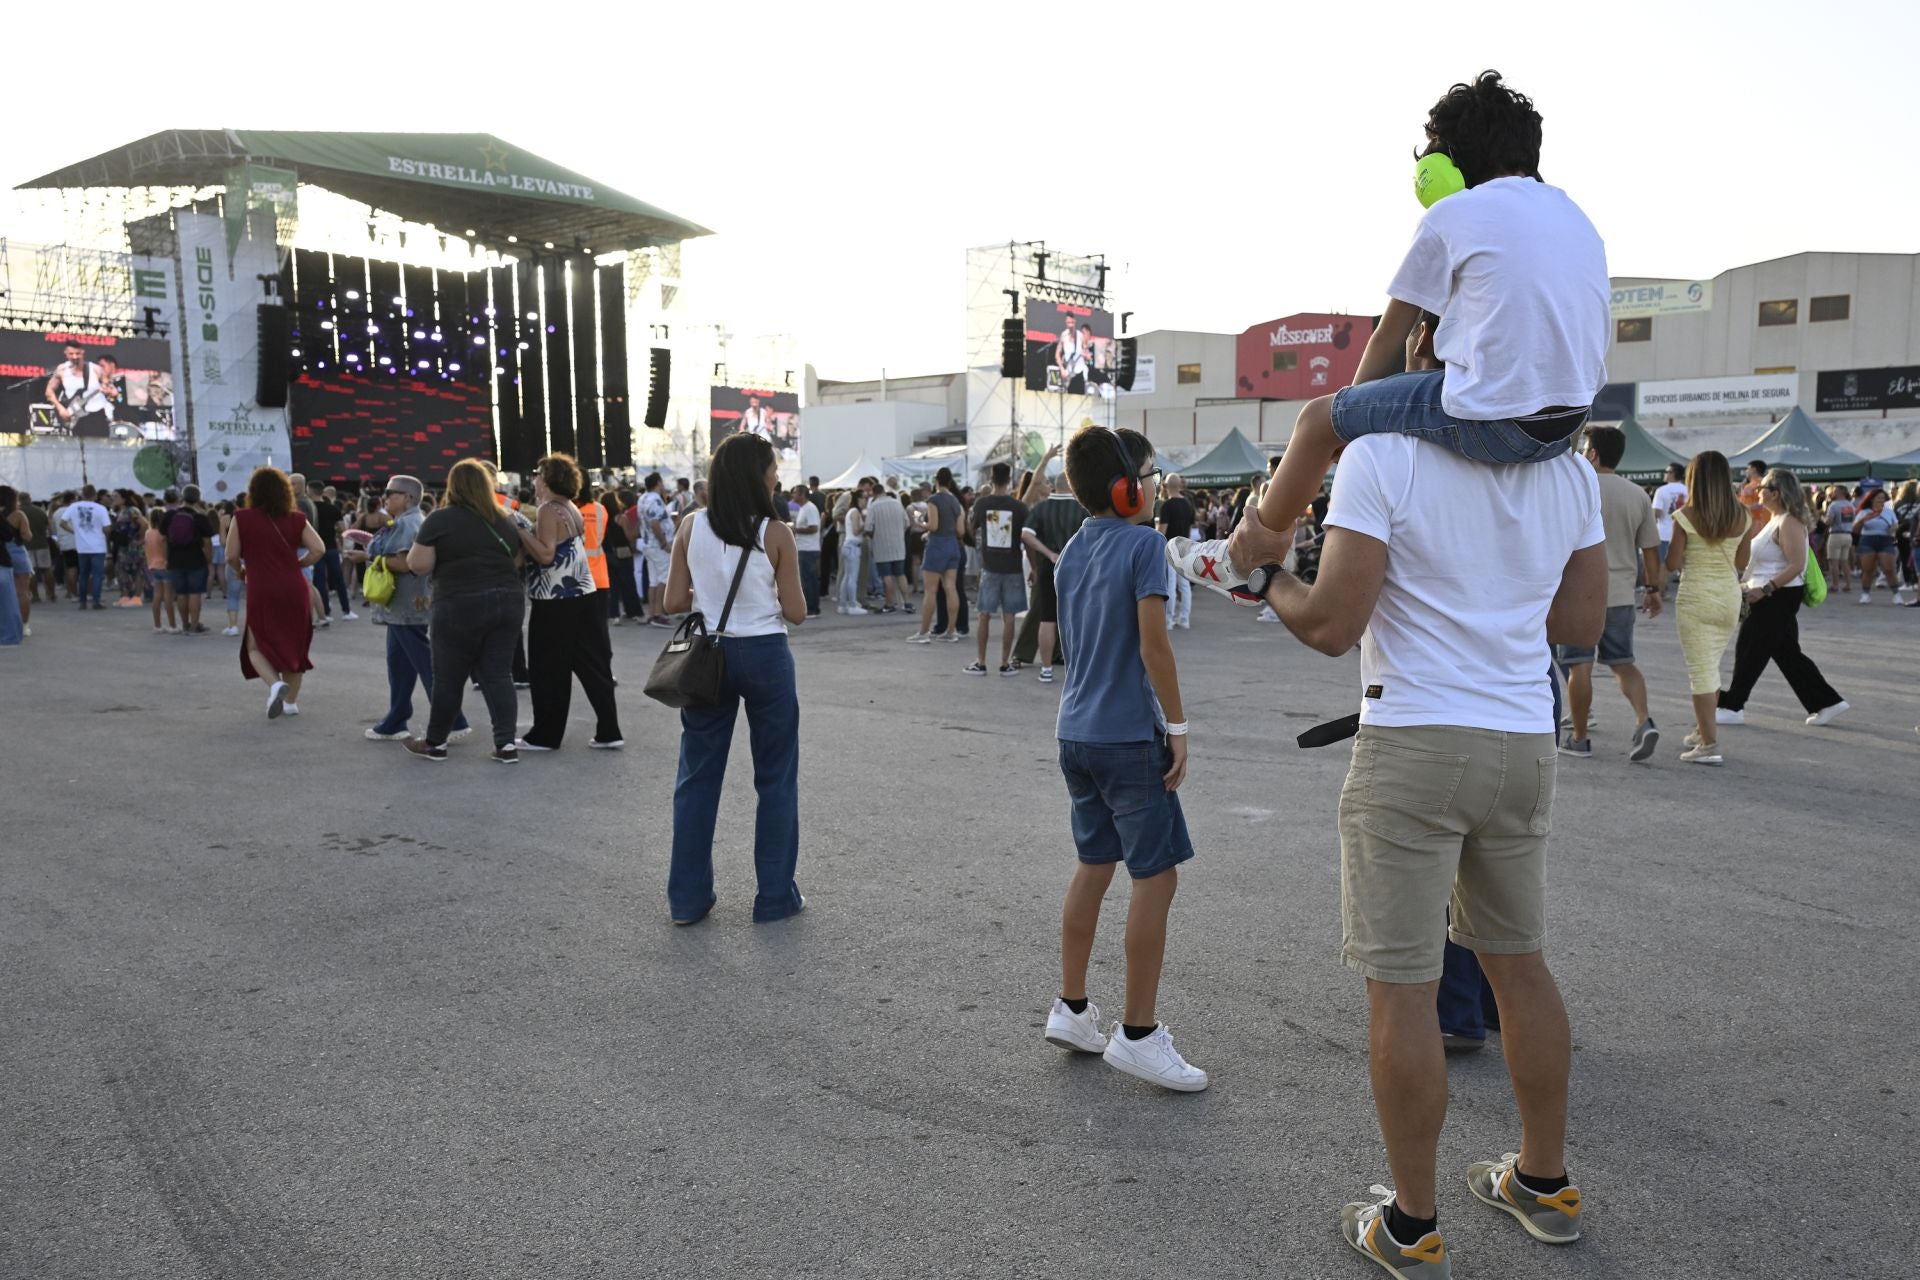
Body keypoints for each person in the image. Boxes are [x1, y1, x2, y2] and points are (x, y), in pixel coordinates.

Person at [1204, 72, 1609, 1273]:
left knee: (1401, 986)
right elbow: (1578, 624)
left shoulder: (1387, 445)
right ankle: (1545, 1179)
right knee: (1521, 964)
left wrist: (1271, 575)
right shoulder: (1576, 467)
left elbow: (1332, 626)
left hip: (1416, 742)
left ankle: (1414, 1220)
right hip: (1522, 735)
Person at [1177, 73, 1607, 623]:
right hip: (1566, 429)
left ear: (1445, 170)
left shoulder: (1453, 213)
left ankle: (1242, 554)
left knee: (1314, 420)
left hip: (1500, 420)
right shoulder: (1577, 218)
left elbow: (1387, 337)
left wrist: (1343, 422)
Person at [1041, 426, 1205, 1091]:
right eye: (1150, 473)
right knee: (1156, 877)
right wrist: (1180, 726)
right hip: (1127, 737)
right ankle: (1138, 1033)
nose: (1155, 484)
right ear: (1126, 487)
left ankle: (1073, 1007)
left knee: (1093, 865)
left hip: (1075, 733)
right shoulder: (1144, 545)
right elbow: (1153, 647)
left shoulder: (1071, 552)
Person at [662, 432, 808, 925]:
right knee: (775, 777)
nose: (777, 474)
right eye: (773, 466)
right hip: (765, 654)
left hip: (710, 656)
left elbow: (673, 603)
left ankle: (688, 899)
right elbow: (796, 612)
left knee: (697, 778)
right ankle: (773, 897)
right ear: (759, 475)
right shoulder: (776, 533)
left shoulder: (690, 525)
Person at [400, 461, 525, 761]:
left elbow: (417, 565)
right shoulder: (505, 519)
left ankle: (435, 743)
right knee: (498, 674)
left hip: (458, 603)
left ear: (452, 486)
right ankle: (506, 745)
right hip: (507, 601)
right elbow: (518, 560)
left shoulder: (440, 520)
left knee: (448, 677)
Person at [1556, 425, 1665, 763]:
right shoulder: (1638, 495)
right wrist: (1653, 589)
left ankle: (1580, 737)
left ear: (1594, 454)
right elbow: (1650, 549)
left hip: (1577, 593)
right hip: (1620, 593)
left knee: (1579, 666)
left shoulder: (1574, 486)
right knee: (1623, 663)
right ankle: (1643, 720)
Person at [1713, 467, 1848, 730]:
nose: (1756, 491)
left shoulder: (1789, 522)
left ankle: (1733, 705)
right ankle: (1827, 701)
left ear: (1775, 493)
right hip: (1771, 593)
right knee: (1786, 652)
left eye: (1762, 487)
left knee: (1751, 648)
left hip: (1776, 595)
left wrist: (1765, 590)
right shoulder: (1776, 519)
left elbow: (1797, 564)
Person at [346, 475, 471, 745]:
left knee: (423, 663)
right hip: (403, 605)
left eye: (391, 492)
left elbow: (405, 563)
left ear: (407, 497)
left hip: (406, 604)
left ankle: (453, 718)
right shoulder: (409, 521)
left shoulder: (407, 523)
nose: (386, 497)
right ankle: (397, 718)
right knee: (400, 662)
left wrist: (368, 557)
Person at [515, 454, 623, 752]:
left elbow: (547, 555)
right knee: (591, 664)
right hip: (582, 594)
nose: (533, 479)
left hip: (555, 599)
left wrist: (520, 530)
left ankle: (545, 736)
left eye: (537, 473)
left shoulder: (549, 508)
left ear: (547, 479)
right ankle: (609, 730)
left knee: (547, 668)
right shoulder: (570, 506)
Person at [1666, 451, 1754, 766]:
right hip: (1728, 596)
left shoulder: (1685, 516)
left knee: (1700, 672)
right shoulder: (1744, 516)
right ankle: (1702, 729)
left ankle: (1709, 744)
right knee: (1711, 667)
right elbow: (1742, 563)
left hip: (1696, 597)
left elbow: (1672, 563)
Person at [227, 467, 322, 719]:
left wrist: (241, 570)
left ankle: (274, 684)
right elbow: (318, 549)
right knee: (295, 643)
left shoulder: (242, 517)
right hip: (295, 586)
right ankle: (290, 703)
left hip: (262, 587)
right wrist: (299, 564)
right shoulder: (296, 518)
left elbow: (231, 555)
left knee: (255, 645)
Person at [965, 463, 1029, 675]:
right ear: (1009, 480)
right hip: (1013, 565)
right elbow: (1026, 538)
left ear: (991, 480)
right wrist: (1034, 567)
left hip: (990, 565)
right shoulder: (1019, 507)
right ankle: (1005, 662)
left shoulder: (982, 504)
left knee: (984, 614)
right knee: (1009, 616)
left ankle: (981, 661)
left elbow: (971, 528)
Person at [909, 468, 968, 643]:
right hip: (953, 546)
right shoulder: (955, 501)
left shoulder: (934, 499)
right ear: (950, 482)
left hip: (937, 546)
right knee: (951, 587)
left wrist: (920, 521)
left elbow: (933, 525)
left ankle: (923, 632)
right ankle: (951, 631)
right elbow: (960, 530)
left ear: (936, 482)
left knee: (930, 591)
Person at [160, 485, 216, 634]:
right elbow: (207, 541)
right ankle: (194, 625)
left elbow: (164, 539)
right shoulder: (200, 517)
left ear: (182, 498)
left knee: (181, 593)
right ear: (198, 498)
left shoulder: (170, 516)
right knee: (195, 592)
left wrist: (166, 559)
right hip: (195, 558)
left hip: (175, 559)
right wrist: (208, 558)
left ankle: (184, 623)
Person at [1155, 474, 1197, 630]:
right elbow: (1192, 527)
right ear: (1180, 485)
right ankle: (1184, 619)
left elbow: (1162, 532)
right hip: (1185, 548)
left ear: (1165, 486)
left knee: (1170, 585)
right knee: (1184, 585)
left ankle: (1169, 620)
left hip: (1170, 549)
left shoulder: (1166, 506)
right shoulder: (1187, 504)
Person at [60, 486, 112, 609]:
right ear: (95, 495)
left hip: (82, 547)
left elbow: (62, 523)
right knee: (97, 575)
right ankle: (96, 600)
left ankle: (82, 602)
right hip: (98, 546)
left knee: (83, 574)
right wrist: (105, 535)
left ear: (82, 495)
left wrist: (75, 531)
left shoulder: (73, 507)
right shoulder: (101, 508)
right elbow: (107, 528)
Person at [636, 472, 676, 626]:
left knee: (653, 580)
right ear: (658, 483)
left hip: (647, 544)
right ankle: (658, 614)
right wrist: (664, 543)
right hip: (657, 545)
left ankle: (652, 613)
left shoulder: (643, 498)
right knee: (664, 578)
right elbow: (654, 523)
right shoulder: (655, 500)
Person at [310, 485, 355, 621]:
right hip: (331, 547)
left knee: (320, 581)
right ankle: (346, 611)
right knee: (338, 579)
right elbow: (343, 529)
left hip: (314, 548)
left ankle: (326, 612)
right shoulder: (332, 508)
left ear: (309, 491)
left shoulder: (309, 509)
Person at [601, 488, 646, 624]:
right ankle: (634, 611)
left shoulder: (603, 519)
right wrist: (638, 526)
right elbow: (629, 536)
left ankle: (614, 614)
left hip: (608, 554)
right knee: (629, 584)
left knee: (613, 586)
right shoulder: (621, 518)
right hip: (624, 554)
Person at [865, 484, 910, 613]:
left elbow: (868, 528)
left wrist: (874, 535)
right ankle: (907, 602)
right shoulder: (897, 503)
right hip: (898, 546)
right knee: (901, 574)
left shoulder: (873, 506)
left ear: (874, 493)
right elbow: (907, 523)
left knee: (886, 576)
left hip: (882, 546)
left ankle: (889, 604)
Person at [1853, 488, 1902, 604]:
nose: (1881, 500)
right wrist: (1863, 520)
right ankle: (1865, 594)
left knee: (1889, 568)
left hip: (1885, 540)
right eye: (1878, 498)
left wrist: (1893, 529)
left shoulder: (1889, 511)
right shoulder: (1864, 512)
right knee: (1868, 569)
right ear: (1871, 499)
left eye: (1883, 498)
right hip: (1867, 540)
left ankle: (1896, 594)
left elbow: (1896, 525)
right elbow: (1855, 529)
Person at [3, 488, 35, 636]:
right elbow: (27, 536)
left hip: (1, 553)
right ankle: (24, 626)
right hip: (17, 552)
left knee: (4, 593)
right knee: (22, 592)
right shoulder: (18, 514)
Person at [791, 485, 823, 618]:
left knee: (809, 579)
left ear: (802, 494)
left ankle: (812, 608)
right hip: (804, 548)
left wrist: (796, 530)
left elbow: (814, 528)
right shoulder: (804, 508)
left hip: (808, 549)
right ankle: (811, 607)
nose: (793, 495)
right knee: (807, 579)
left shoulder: (809, 508)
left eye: (795, 493)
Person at [836, 491, 869, 615]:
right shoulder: (855, 512)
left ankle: (843, 604)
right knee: (852, 577)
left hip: (848, 545)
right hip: (853, 546)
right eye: (864, 498)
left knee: (847, 576)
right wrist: (865, 524)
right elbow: (856, 531)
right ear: (859, 499)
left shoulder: (851, 511)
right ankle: (852, 604)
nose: (866, 501)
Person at [1651, 462, 1687, 570]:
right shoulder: (1688, 490)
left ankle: (1661, 587)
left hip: (1663, 533)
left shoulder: (1661, 491)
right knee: (1684, 566)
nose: (1664, 474)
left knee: (1662, 565)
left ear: (1672, 473)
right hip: (1684, 533)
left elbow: (1656, 514)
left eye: (1666, 472)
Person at [217, 501, 245, 635]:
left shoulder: (226, 519)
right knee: (253, 594)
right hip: (252, 560)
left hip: (234, 558)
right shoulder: (256, 518)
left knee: (233, 594)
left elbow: (223, 541)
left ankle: (233, 626)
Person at [1823, 484, 1857, 593]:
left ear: (1840, 493)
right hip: (1848, 534)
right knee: (1844, 561)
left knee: (1833, 562)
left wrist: (1822, 519)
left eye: (1835, 491)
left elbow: (1829, 521)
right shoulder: (1851, 506)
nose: (1833, 493)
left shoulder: (1834, 505)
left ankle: (1835, 585)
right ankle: (1848, 584)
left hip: (1836, 534)